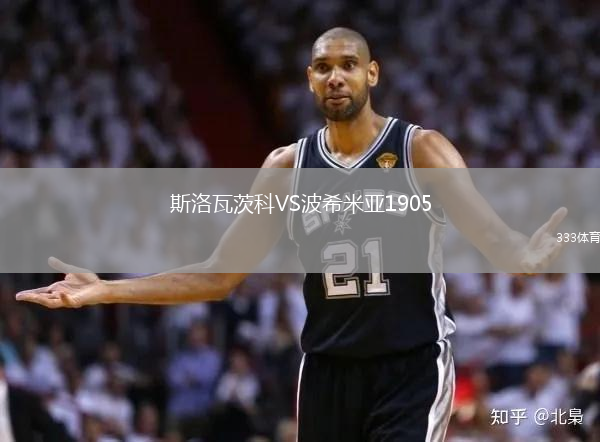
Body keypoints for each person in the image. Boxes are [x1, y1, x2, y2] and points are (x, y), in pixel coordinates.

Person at [16, 27, 566, 441]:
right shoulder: (287, 167)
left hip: (411, 364)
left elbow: (495, 239)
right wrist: (106, 289)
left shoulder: (420, 150)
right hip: (327, 369)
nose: (335, 77)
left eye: (348, 65)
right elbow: (218, 276)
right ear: (308, 79)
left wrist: (526, 255)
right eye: (323, 67)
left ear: (372, 74)